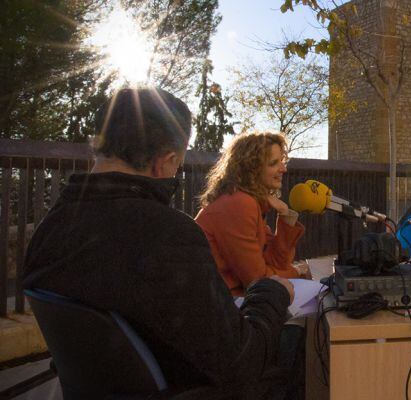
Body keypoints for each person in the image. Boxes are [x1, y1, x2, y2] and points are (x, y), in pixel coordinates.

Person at [23, 87, 295, 399]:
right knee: (297, 345)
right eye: (177, 166)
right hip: (189, 389)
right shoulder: (168, 236)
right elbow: (241, 363)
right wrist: (271, 292)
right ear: (164, 162)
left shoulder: (50, 229)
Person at [195, 132, 310, 298]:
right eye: (273, 163)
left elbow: (276, 261)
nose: (283, 169)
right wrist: (296, 272)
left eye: (282, 161)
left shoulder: (248, 201)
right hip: (221, 305)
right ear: (251, 169)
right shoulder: (238, 203)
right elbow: (257, 281)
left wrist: (286, 215)